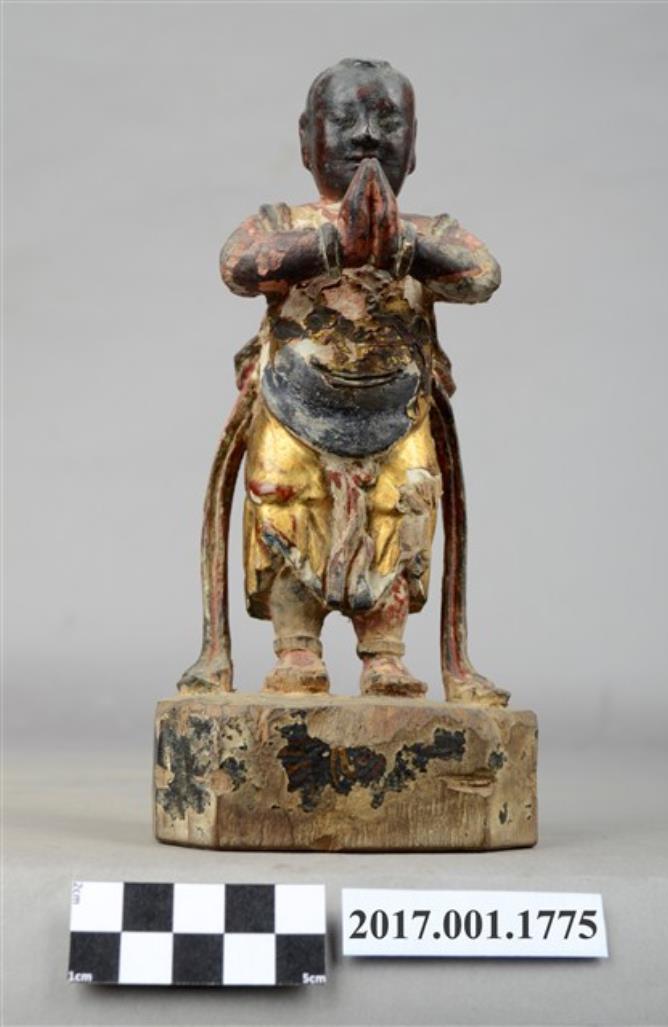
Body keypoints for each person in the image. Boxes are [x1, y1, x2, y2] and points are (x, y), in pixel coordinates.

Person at [179, 58, 509, 706]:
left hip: (398, 417)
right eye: (346, 119)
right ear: (307, 140)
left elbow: (481, 274)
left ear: (415, 146)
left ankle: (385, 653)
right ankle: (296, 646)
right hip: (292, 410)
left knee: (402, 510)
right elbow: (237, 264)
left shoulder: (427, 234)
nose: (366, 135)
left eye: (388, 121)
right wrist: (332, 247)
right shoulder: (285, 224)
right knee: (284, 503)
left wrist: (400, 248)